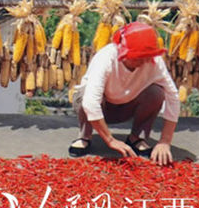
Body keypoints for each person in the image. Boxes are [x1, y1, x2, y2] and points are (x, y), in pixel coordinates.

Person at [69, 22, 180, 165]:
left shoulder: (154, 62)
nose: (142, 61)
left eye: (146, 57)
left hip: (127, 107)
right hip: (99, 109)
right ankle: (85, 136)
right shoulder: (106, 58)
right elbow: (91, 103)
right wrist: (110, 140)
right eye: (137, 57)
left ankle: (137, 137)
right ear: (123, 51)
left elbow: (173, 96)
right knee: (85, 95)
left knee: (156, 93)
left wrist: (165, 141)